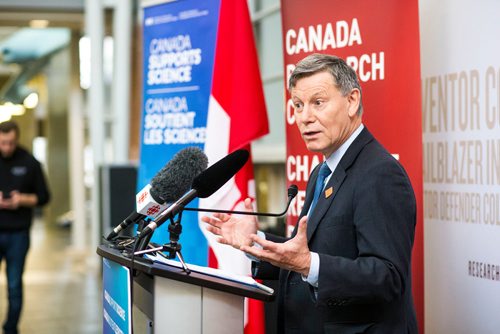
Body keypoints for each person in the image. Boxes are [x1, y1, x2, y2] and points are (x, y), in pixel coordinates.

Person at [203, 54, 417, 333]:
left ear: (352, 101)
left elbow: (388, 278)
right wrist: (257, 243)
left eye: (318, 103)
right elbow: (308, 253)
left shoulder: (380, 174)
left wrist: (308, 264)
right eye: (298, 106)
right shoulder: (322, 171)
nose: (304, 118)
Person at [0, 120, 50, 334]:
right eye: (2, 143)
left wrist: (22, 200)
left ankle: (11, 329)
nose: (7, 147)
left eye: (11, 143)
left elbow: (44, 197)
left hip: (18, 234)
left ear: (17, 139)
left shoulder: (30, 162)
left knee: (14, 285)